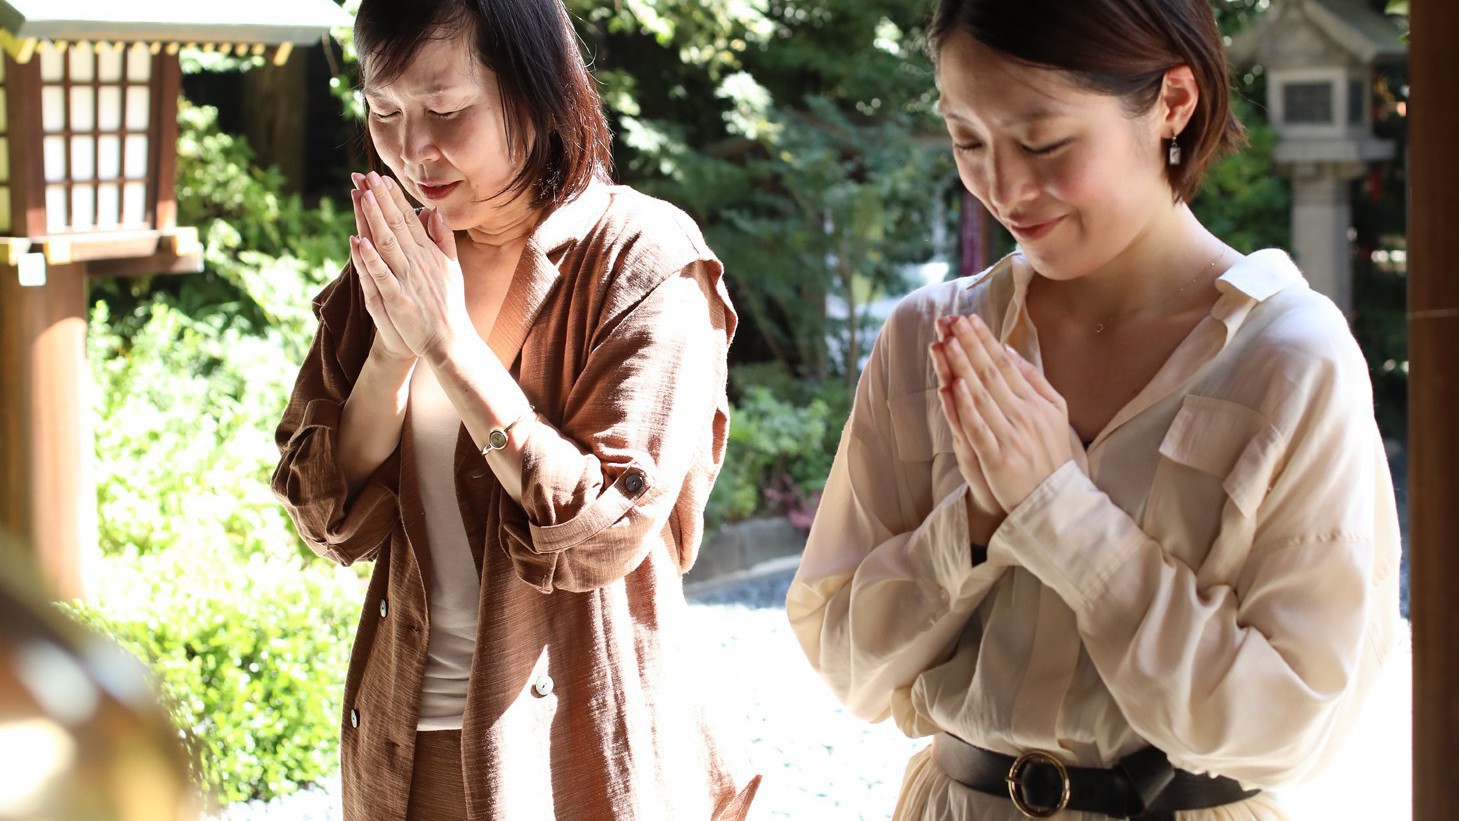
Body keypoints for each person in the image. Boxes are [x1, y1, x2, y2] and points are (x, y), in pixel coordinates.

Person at [785, 0, 1402, 818]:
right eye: (967, 140)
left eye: (1043, 141)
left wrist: (1057, 512)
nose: (1001, 186)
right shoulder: (929, 338)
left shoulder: (1287, 359)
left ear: (1172, 103)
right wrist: (972, 524)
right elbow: (845, 663)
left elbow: (1289, 725)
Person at [271, 0, 759, 817]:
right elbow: (323, 511)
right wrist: (394, 348)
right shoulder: (392, 263)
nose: (411, 147)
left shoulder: (643, 258)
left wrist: (449, 345)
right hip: (403, 742)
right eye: (382, 110)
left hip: (578, 747)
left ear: (538, 93)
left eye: (447, 108)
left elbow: (605, 530)